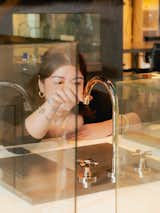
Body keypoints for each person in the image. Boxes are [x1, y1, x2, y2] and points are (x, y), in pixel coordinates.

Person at [25, 47, 140, 140]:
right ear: (41, 84)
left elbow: (137, 119)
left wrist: (105, 127)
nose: (69, 90)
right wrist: (51, 106)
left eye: (76, 83)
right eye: (59, 82)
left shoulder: (95, 100)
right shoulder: (22, 102)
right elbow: (18, 136)